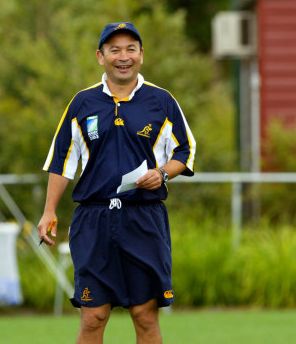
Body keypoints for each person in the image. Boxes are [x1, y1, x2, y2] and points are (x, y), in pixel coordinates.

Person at [38, 21, 196, 344]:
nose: (123, 57)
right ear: (101, 56)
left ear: (141, 55)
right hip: (94, 221)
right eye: (114, 50)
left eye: (130, 49)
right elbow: (61, 161)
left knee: (144, 316)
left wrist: (163, 173)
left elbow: (186, 149)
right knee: (93, 317)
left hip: (144, 220)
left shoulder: (161, 101)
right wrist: (48, 212)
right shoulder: (82, 104)